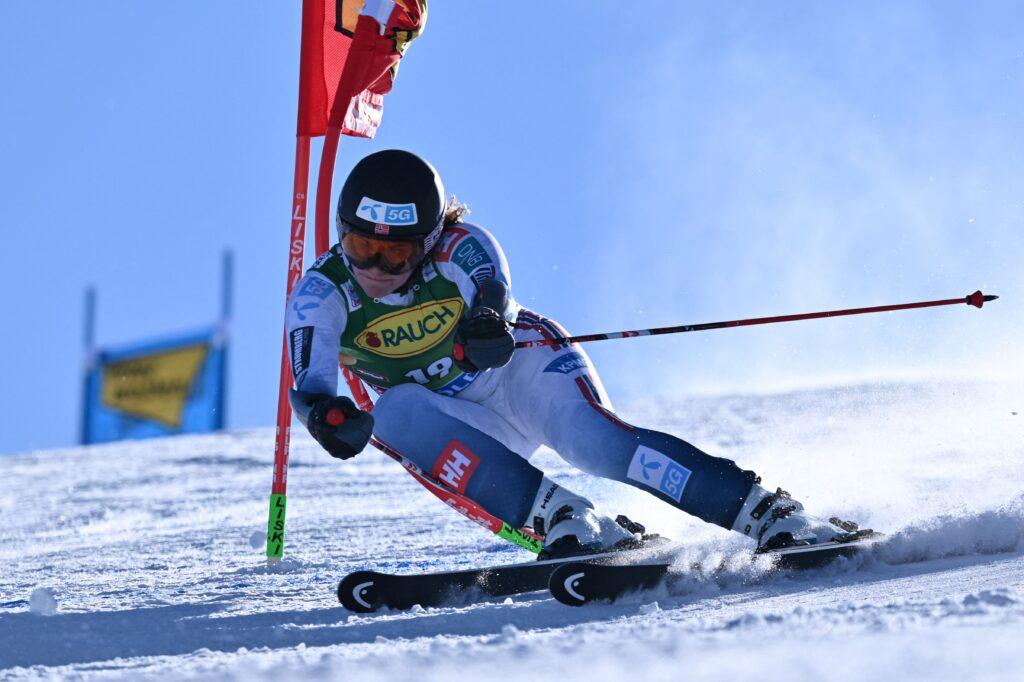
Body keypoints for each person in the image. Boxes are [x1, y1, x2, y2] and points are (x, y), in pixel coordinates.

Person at [286, 149, 864, 559]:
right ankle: (568, 520)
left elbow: (491, 290)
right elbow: (310, 387)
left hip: (520, 373)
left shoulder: (462, 247)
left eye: (396, 254)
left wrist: (489, 323)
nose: (376, 269)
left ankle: (768, 512)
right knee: (394, 414)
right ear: (342, 233)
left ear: (431, 239)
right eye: (362, 246)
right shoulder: (322, 293)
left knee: (596, 444)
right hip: (459, 420)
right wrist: (327, 418)